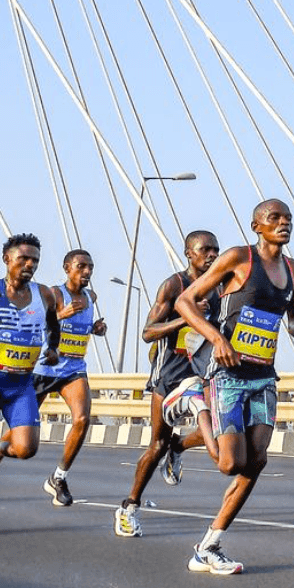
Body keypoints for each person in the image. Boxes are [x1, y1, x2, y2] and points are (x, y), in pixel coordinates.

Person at [174, 199, 294, 574]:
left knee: (256, 461)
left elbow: (292, 325)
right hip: (227, 373)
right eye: (274, 218)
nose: (283, 224)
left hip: (263, 376)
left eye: (288, 219)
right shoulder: (238, 259)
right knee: (230, 463)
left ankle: (210, 544)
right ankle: (196, 404)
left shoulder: (293, 269)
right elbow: (185, 301)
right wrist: (218, 339)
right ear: (256, 225)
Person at [115, 230, 221, 537]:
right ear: (190, 253)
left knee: (217, 429)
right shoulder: (175, 284)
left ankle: (179, 444)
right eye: (205, 250)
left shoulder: (220, 286)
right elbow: (149, 332)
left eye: (216, 249)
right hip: (169, 374)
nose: (212, 255)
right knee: (157, 445)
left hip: (201, 371)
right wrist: (185, 318)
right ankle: (129, 506)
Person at [0, 249, 106, 508]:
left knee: (83, 418)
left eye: (91, 267)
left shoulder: (91, 297)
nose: (87, 272)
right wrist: (62, 315)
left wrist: (96, 328)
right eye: (81, 266)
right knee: (18, 430)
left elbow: (86, 325)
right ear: (67, 268)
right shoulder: (53, 294)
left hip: (73, 368)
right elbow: (30, 321)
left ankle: (58, 477)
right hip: (43, 369)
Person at [0, 234, 60, 535]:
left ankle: (0, 454)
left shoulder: (43, 295)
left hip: (20, 385)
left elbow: (53, 326)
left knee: (27, 449)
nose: (30, 265)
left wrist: (53, 349)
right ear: (7, 259)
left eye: (35, 261)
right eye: (24, 259)